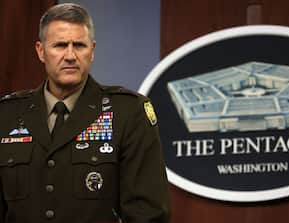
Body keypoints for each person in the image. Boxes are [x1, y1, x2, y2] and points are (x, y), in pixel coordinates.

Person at [0, 3, 170, 223]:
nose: (70, 55)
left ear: (92, 51)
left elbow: (149, 214)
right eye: (60, 45)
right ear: (41, 51)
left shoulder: (128, 113)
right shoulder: (6, 115)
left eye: (79, 45)